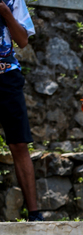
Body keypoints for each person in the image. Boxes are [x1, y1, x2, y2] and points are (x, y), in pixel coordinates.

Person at [0, 0, 42, 221]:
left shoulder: (13, 1)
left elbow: (23, 40)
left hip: (7, 76)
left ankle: (34, 214)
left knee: (19, 144)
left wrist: (5, 13)